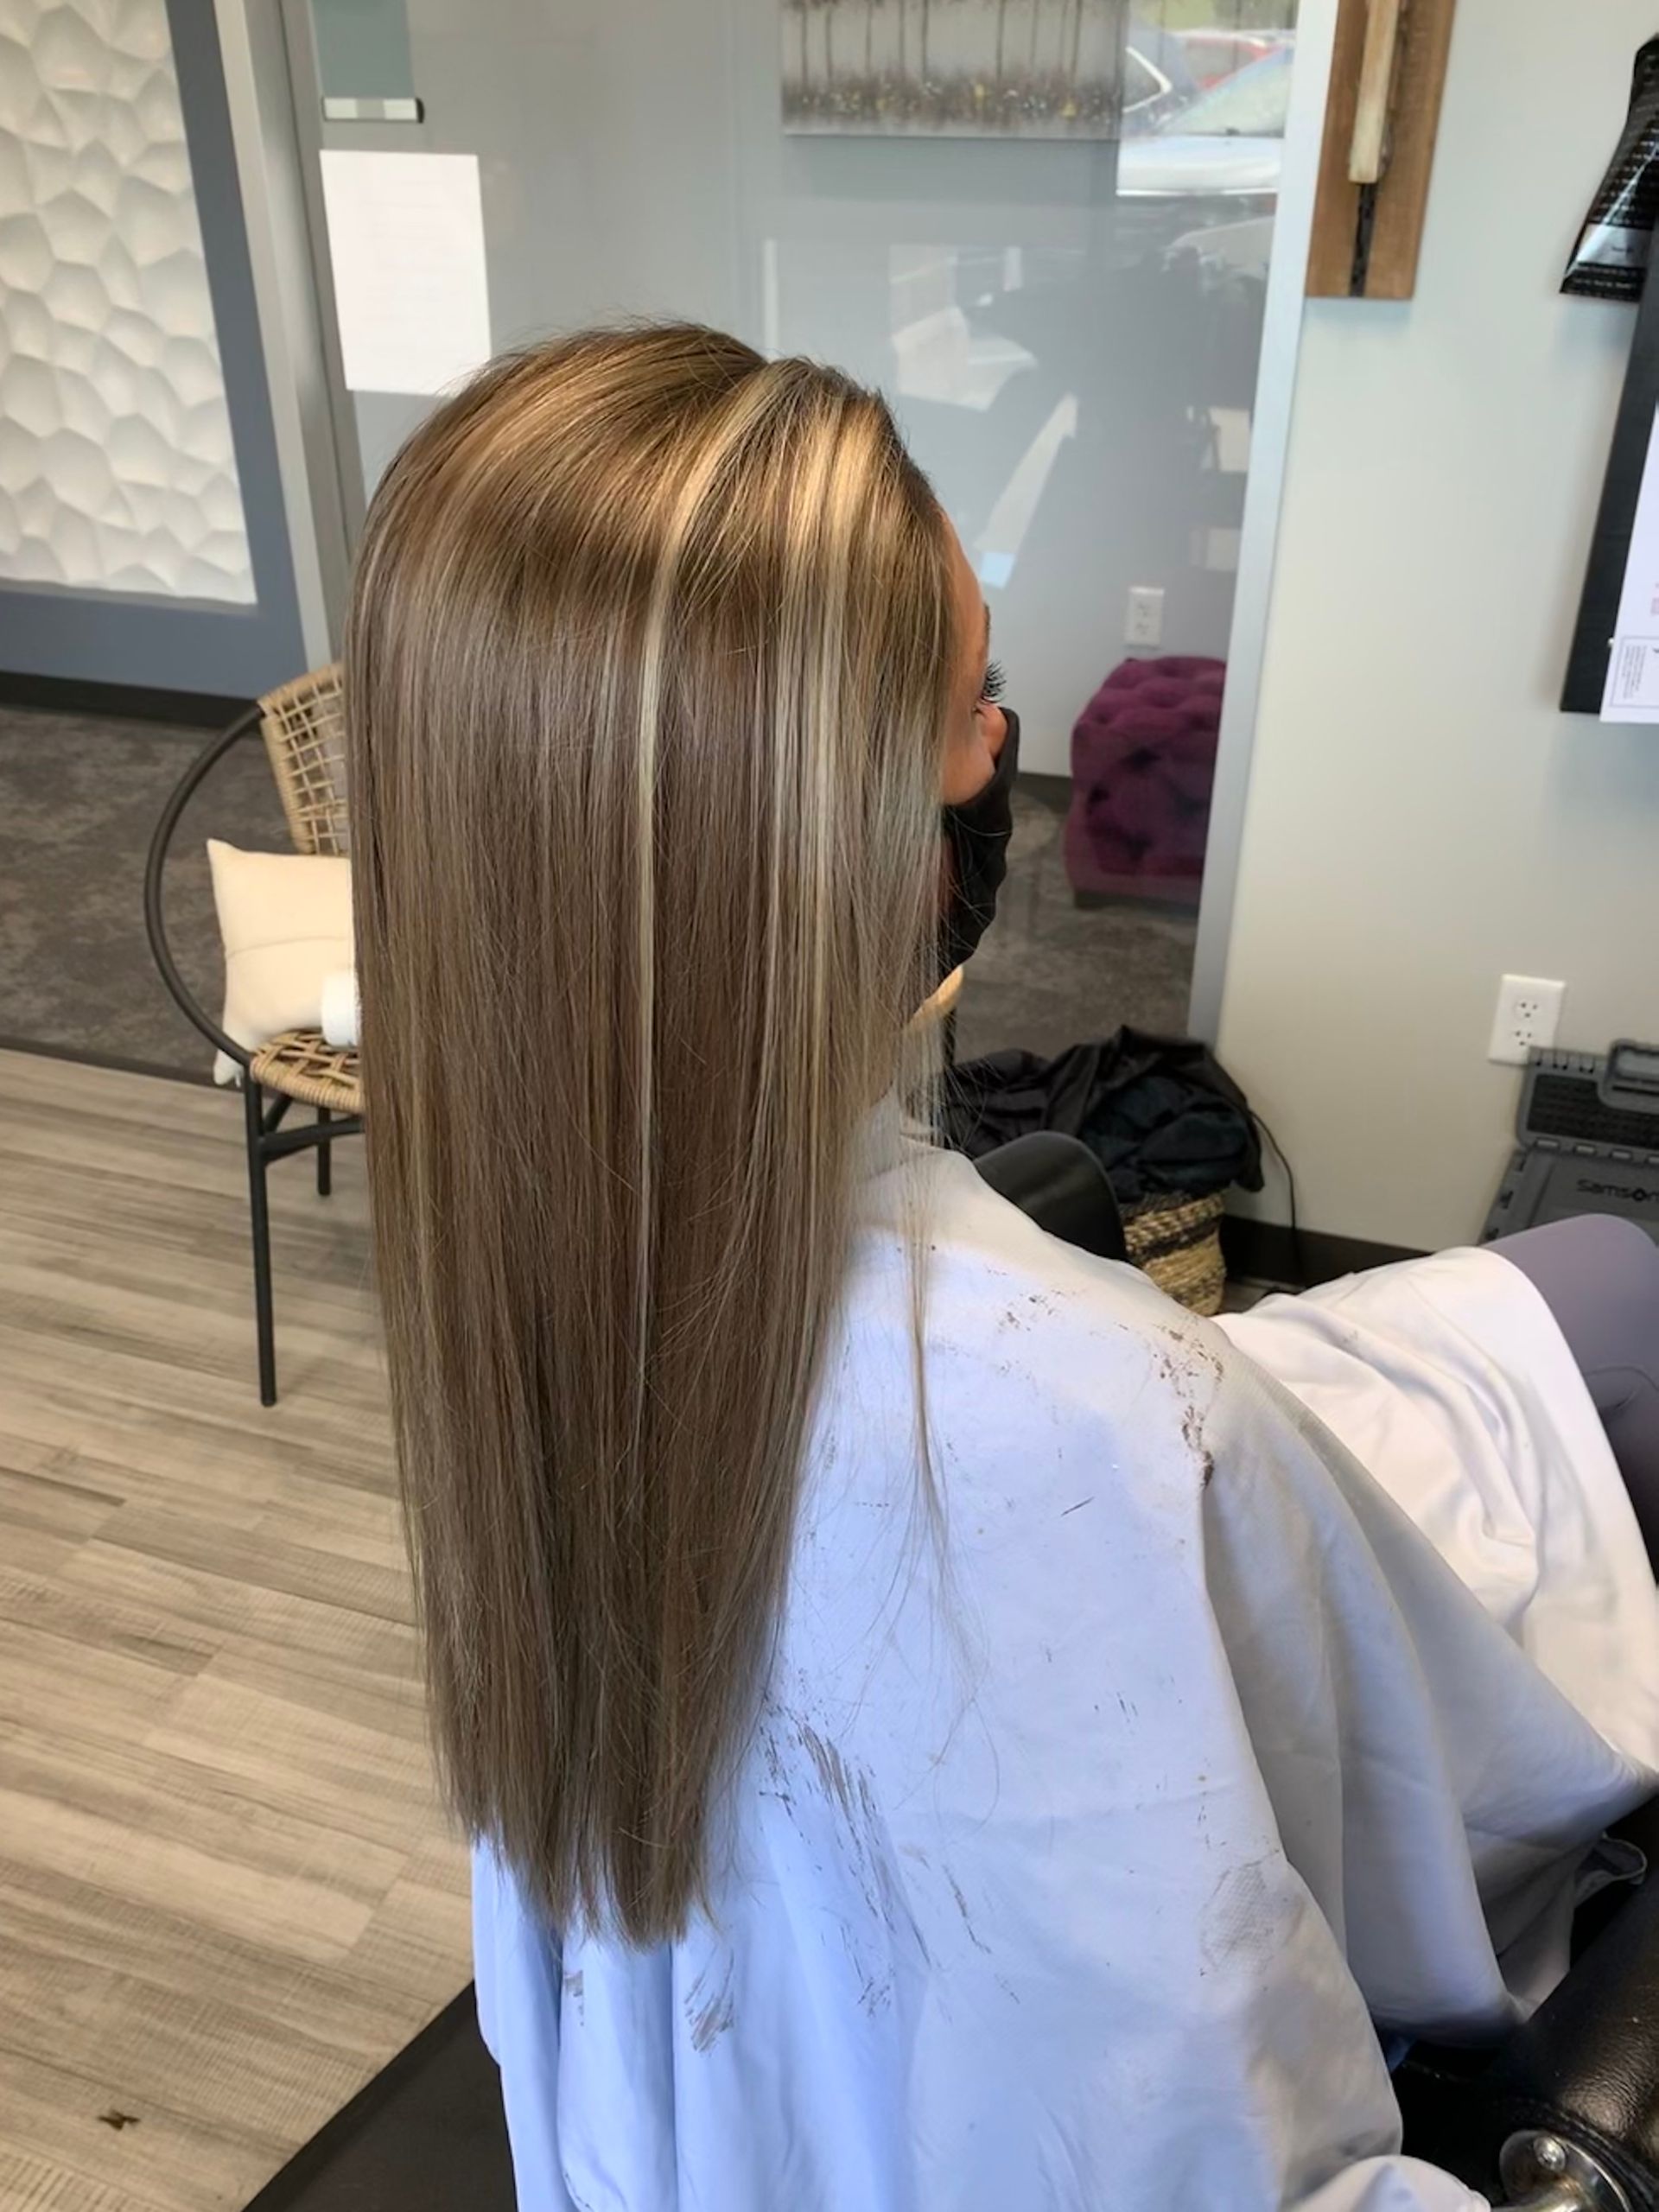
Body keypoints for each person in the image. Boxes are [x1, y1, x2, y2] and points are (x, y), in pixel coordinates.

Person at [346, 324, 1659, 2212]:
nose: (1002, 751)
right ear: (817, 837)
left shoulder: (520, 1288)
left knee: (1565, 1293)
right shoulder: (1101, 1425)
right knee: (1609, 1291)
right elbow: (1378, 1876)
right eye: (979, 700)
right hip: (1158, 1473)